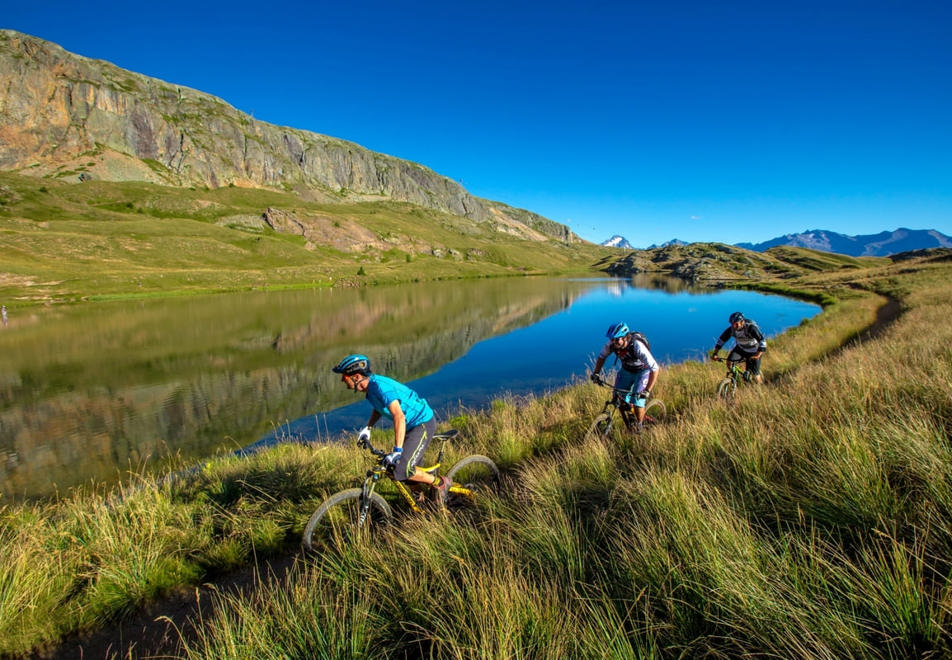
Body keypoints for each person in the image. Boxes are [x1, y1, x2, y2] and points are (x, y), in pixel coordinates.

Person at [331, 353, 452, 501]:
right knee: (406, 474)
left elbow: (399, 416)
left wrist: (397, 450)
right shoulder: (370, 390)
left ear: (356, 377)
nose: (343, 381)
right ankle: (424, 503)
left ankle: (441, 483)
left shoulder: (380, 387)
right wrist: (368, 428)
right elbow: (379, 407)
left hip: (422, 423)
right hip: (410, 426)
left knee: (403, 468)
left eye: (344, 378)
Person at [589, 322, 660, 431]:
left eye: (617, 339)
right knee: (617, 397)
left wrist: (647, 390)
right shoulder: (611, 345)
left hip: (642, 372)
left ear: (626, 337)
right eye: (612, 339)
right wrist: (596, 373)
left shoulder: (637, 346)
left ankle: (639, 428)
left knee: (637, 402)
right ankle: (630, 417)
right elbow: (601, 357)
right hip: (627, 370)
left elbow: (655, 369)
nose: (614, 342)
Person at [710, 311, 766, 384]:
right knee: (729, 363)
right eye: (732, 324)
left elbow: (762, 341)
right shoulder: (732, 329)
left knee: (755, 375)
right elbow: (722, 340)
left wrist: (758, 354)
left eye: (736, 324)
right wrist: (715, 353)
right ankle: (737, 379)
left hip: (754, 351)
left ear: (742, 322)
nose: (734, 326)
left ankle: (760, 388)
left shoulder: (751, 328)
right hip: (741, 349)